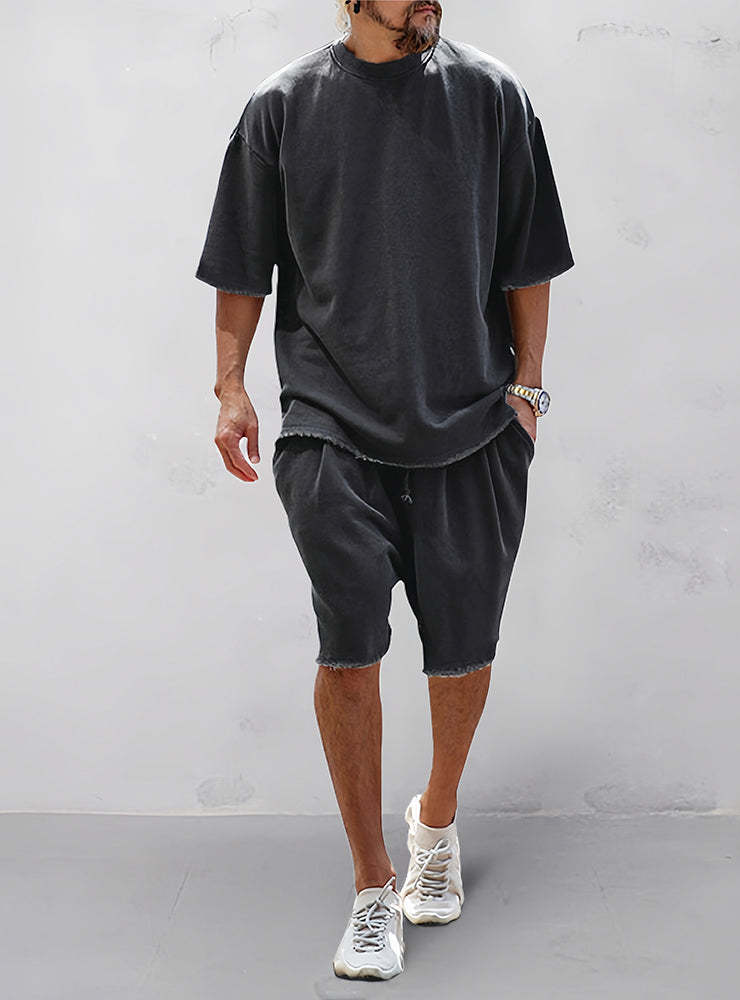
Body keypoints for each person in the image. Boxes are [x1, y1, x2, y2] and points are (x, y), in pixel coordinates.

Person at [195, 0, 574, 981]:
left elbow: (530, 255)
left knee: (464, 648)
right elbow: (241, 266)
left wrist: (528, 392)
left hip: (474, 422)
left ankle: (434, 821)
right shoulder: (282, 107)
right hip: (330, 423)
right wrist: (232, 387)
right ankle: (372, 886)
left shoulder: (493, 96)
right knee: (350, 640)